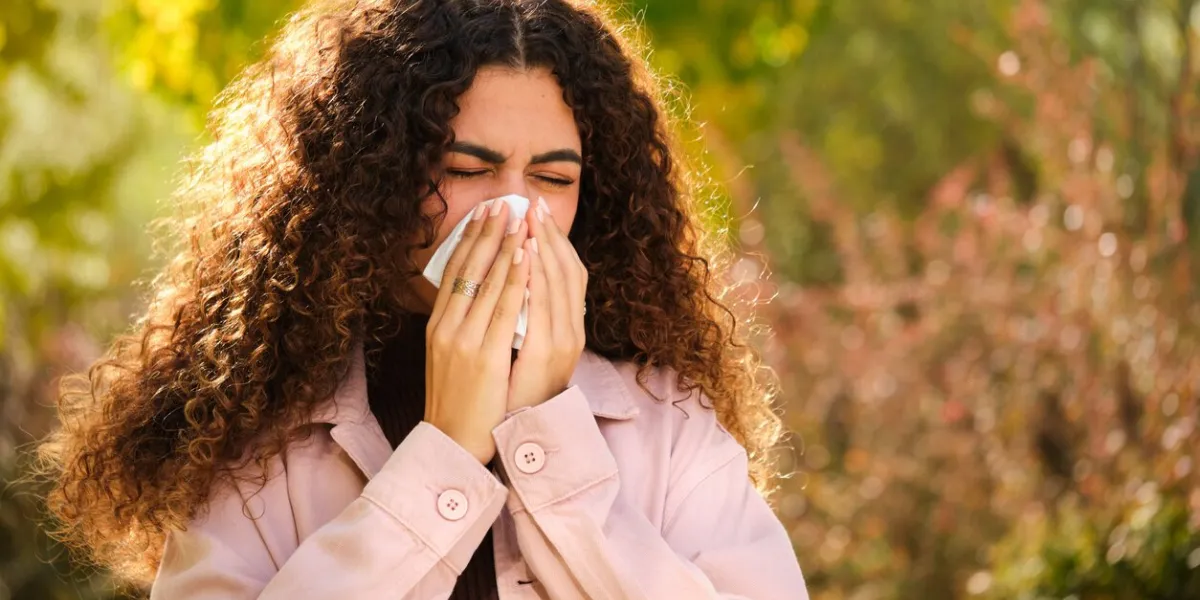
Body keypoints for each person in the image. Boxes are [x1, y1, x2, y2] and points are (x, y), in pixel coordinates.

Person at [38, 0, 809, 597]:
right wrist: (443, 451)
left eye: (553, 178)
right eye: (468, 169)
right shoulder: (257, 449)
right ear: (372, 180)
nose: (514, 213)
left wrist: (549, 439)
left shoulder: (665, 423)